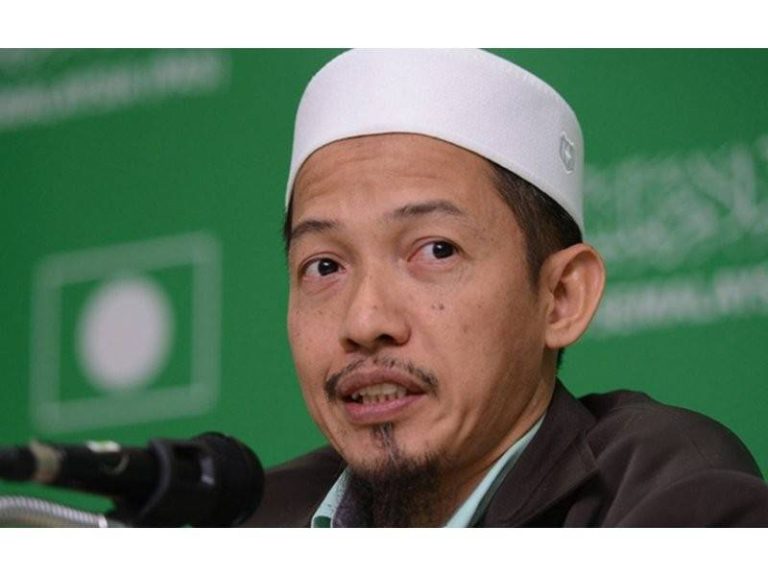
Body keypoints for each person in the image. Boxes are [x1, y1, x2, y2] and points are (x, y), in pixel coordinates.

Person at [244, 49, 768, 527]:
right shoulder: (251, 519)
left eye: (437, 250)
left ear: (561, 297)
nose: (365, 321)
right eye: (325, 266)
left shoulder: (671, 494)